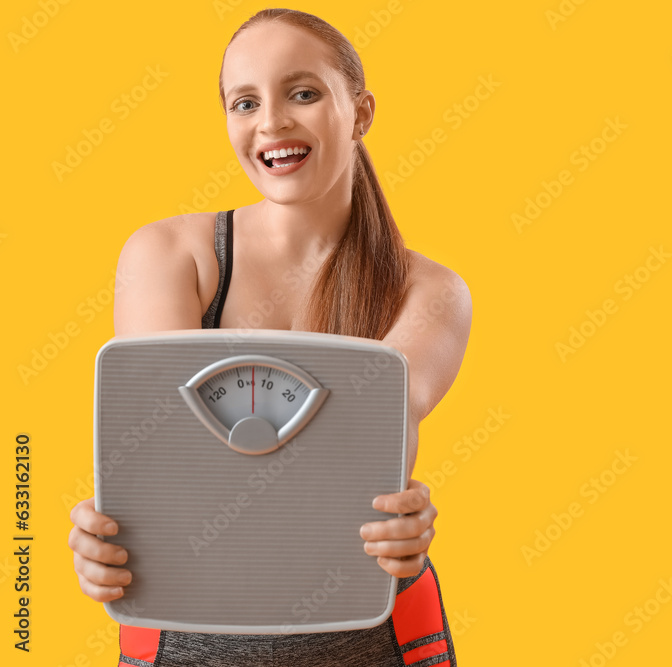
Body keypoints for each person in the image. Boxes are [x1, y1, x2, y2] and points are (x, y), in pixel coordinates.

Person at [66, 8, 472, 666]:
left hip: (373, 634)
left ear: (362, 112)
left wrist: (410, 512)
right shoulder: (172, 253)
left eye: (303, 93)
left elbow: (366, 427)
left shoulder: (432, 292)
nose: (271, 124)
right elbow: (166, 459)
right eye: (244, 102)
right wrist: (109, 528)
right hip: (184, 632)